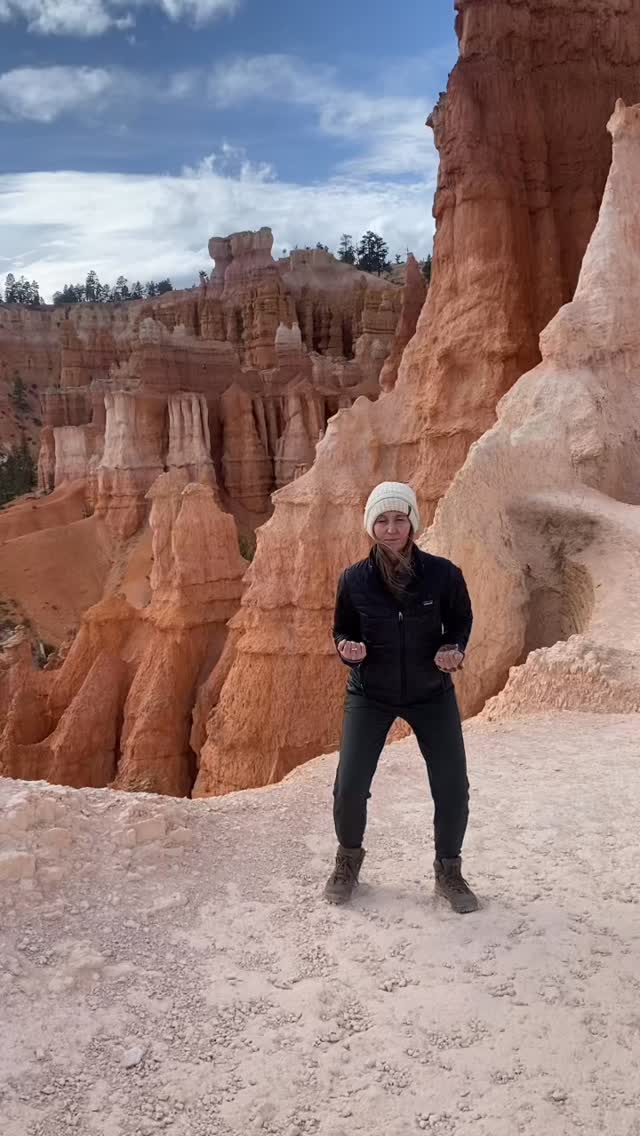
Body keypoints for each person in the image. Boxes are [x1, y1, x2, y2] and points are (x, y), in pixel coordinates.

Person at [324, 481, 478, 914]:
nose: (391, 529)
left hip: (432, 692)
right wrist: (346, 647)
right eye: (382, 520)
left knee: (452, 786)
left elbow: (460, 621)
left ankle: (449, 870)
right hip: (369, 692)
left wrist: (454, 649)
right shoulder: (354, 580)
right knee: (349, 786)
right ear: (370, 526)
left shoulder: (444, 574)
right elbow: (343, 628)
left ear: (412, 521)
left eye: (399, 518)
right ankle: (348, 860)